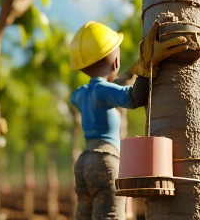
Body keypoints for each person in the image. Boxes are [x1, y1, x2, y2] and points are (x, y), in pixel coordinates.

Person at [70, 15, 189, 219]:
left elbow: (114, 84)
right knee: (109, 214)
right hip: (105, 161)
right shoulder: (103, 91)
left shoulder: (80, 93)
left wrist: (136, 68)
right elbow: (134, 97)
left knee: (84, 213)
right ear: (115, 60)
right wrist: (148, 65)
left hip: (84, 161)